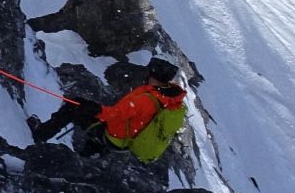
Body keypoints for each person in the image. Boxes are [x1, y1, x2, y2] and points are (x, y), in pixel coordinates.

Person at [29, 58, 189, 161]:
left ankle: (40, 134)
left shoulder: (146, 99)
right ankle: (88, 156)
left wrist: (95, 109)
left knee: (73, 107)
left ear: (153, 75)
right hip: (127, 140)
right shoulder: (168, 98)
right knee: (95, 124)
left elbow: (115, 115)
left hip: (115, 137)